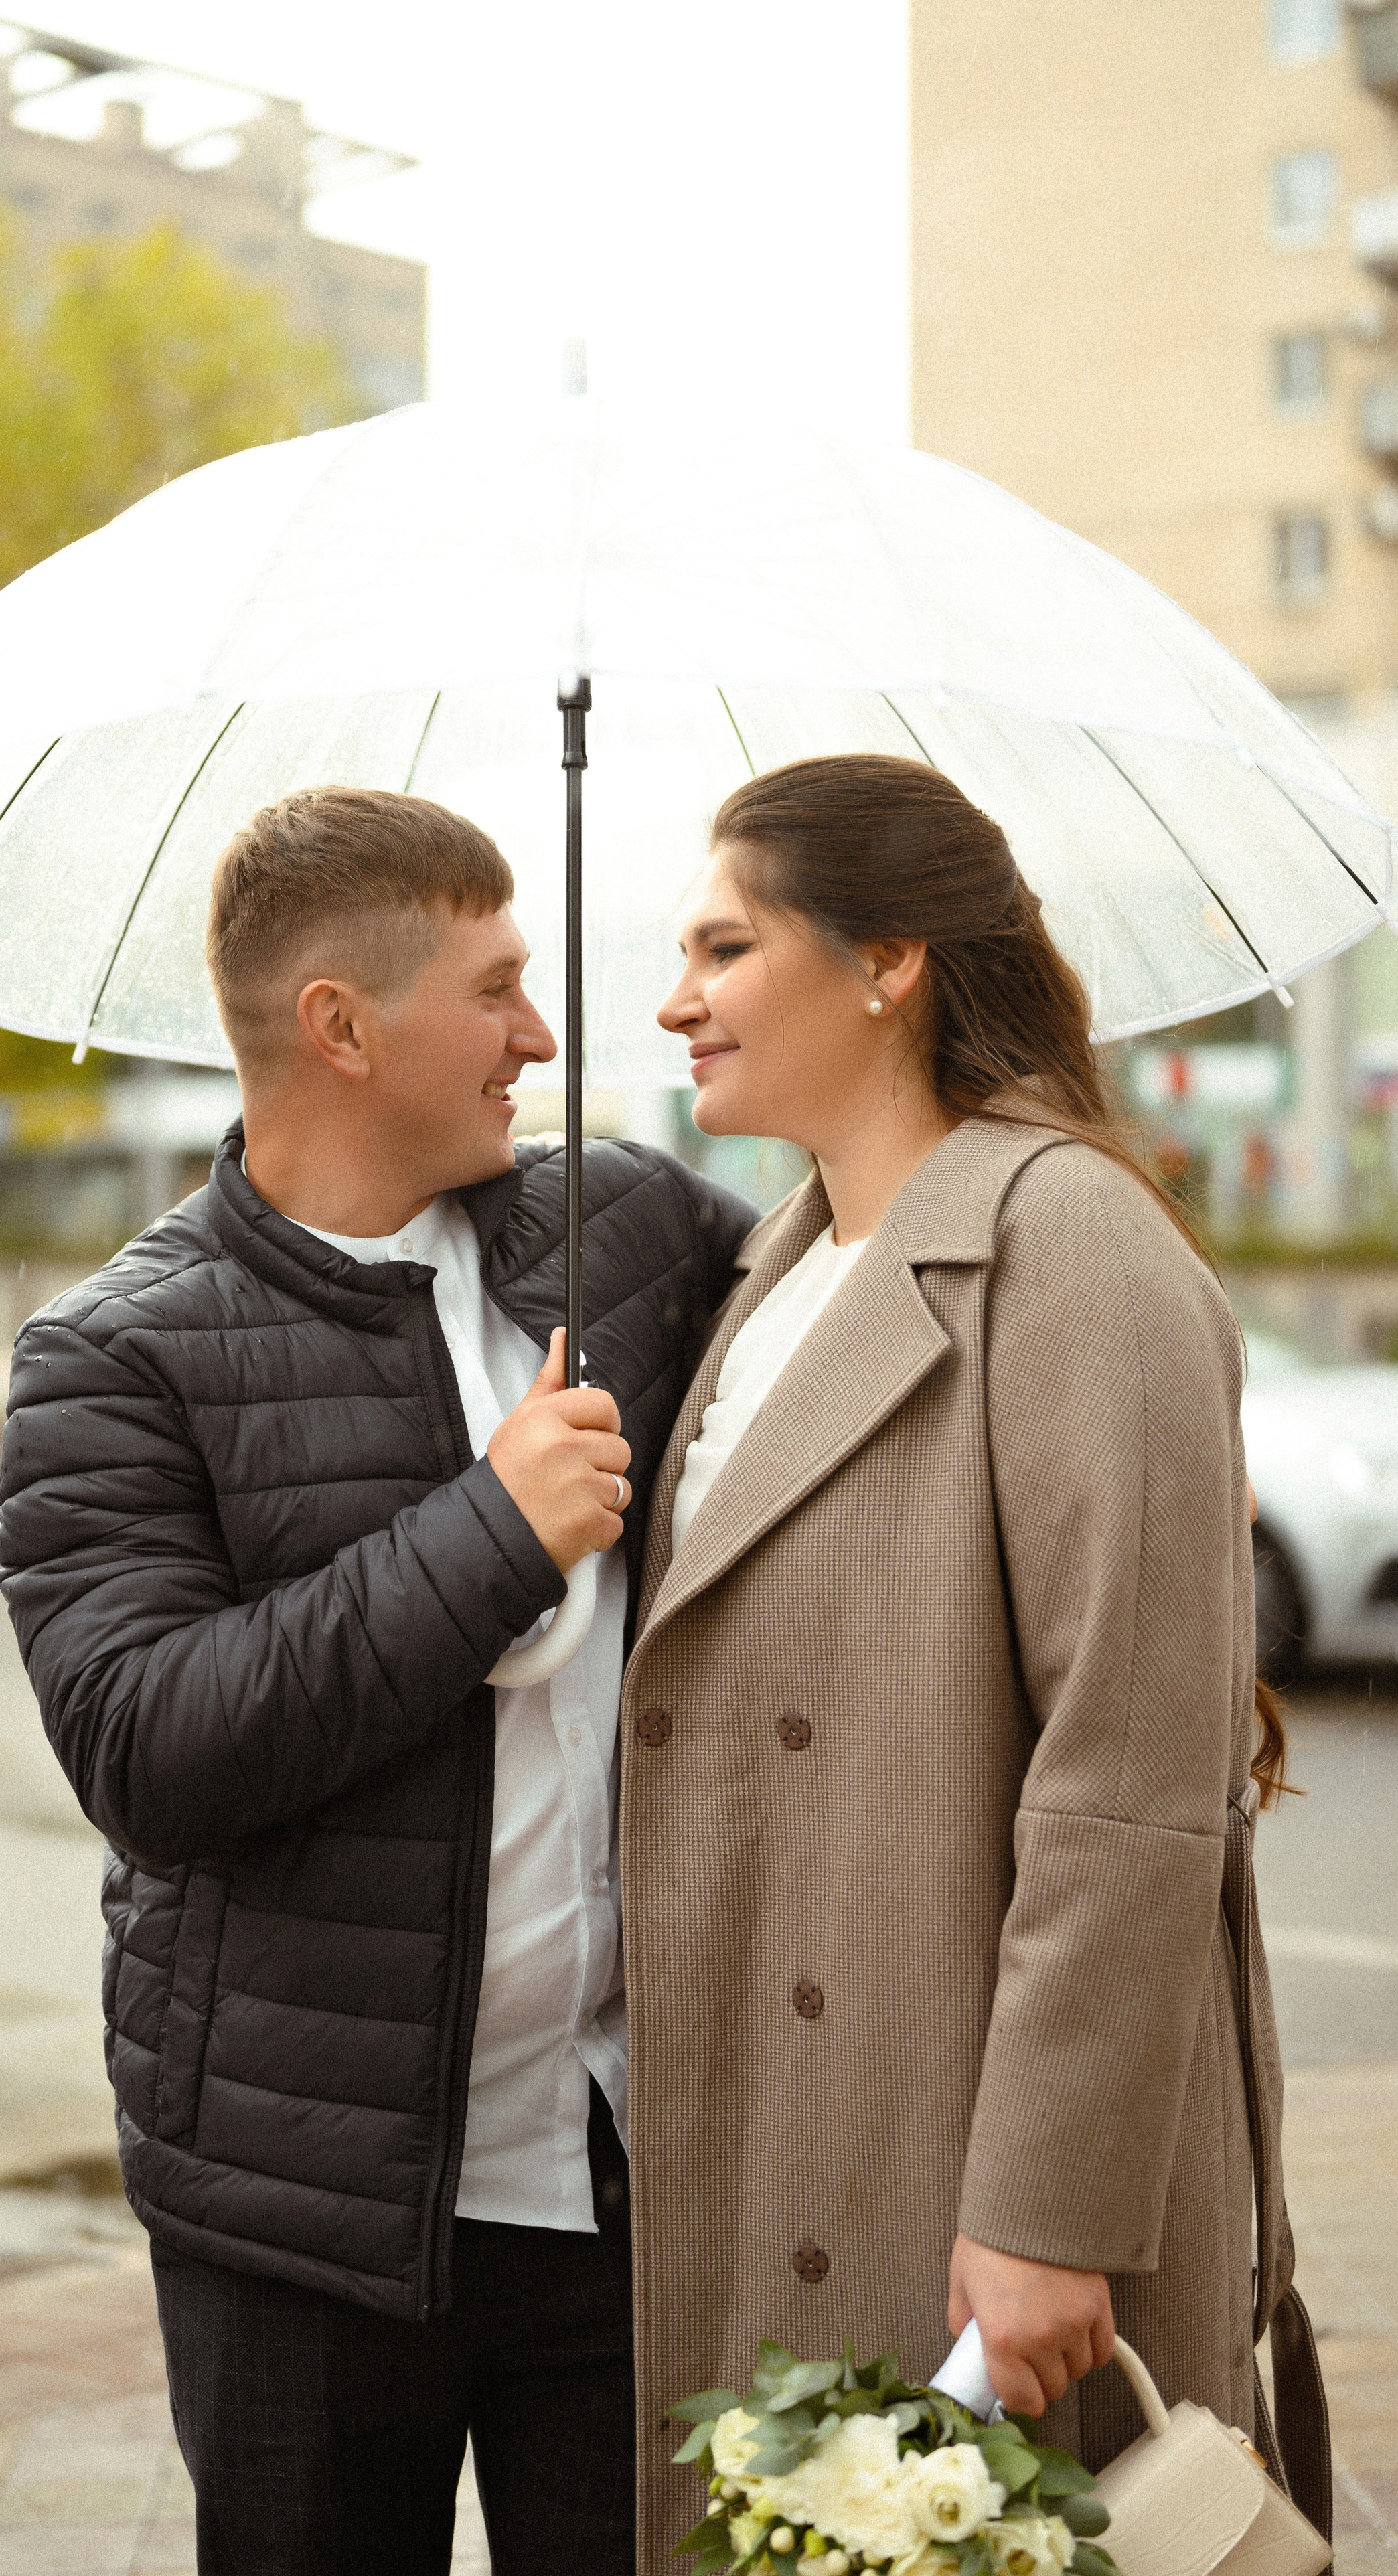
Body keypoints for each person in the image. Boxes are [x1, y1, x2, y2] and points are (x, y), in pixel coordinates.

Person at [0, 786, 753, 2576]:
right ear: (340, 1026)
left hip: (622, 2184)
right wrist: (494, 1530)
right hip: (304, 2231)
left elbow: (867, 1294)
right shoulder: (118, 1356)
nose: (543, 1035)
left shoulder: (629, 1236)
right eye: (495, 989)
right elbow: (154, 1749)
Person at [620, 754, 1324, 2570]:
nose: (674, 998)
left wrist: (1044, 2211)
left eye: (723, 945)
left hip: (975, 2173)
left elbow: (1129, 1777)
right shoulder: (781, 1266)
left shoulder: (1075, 1250)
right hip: (796, 2119)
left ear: (887, 963)